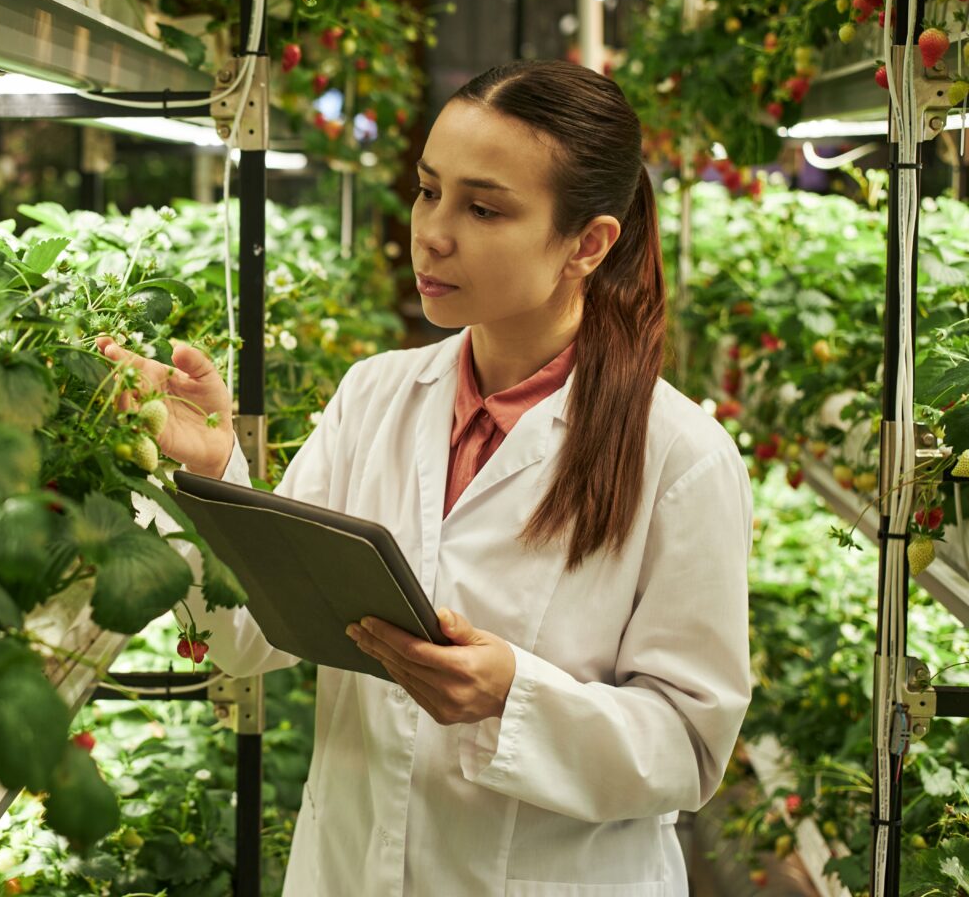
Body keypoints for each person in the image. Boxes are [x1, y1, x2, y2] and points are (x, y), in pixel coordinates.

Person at [95, 59, 752, 896]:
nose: (433, 233)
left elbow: (690, 750)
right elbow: (254, 637)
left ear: (587, 244)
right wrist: (213, 471)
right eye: (428, 191)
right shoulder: (377, 395)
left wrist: (514, 697)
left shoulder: (680, 456)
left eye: (483, 208)